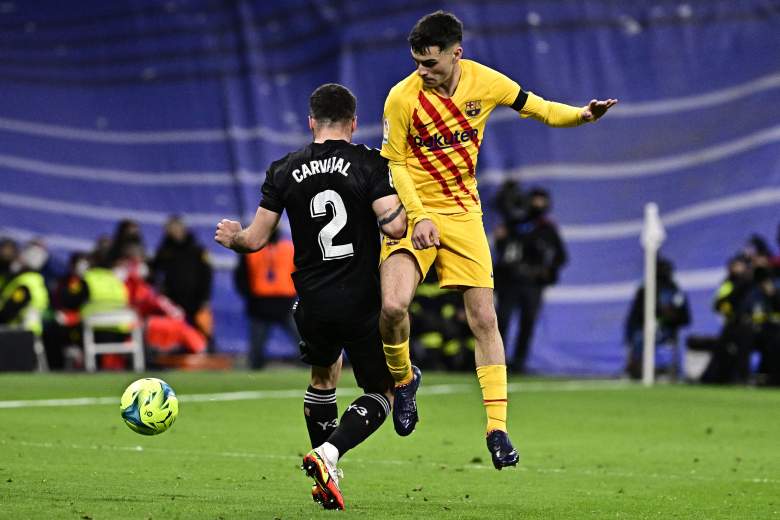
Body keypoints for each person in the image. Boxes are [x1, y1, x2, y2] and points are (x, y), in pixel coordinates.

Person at [378, 10, 616, 469]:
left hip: (464, 214)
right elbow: (397, 164)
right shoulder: (400, 99)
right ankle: (404, 380)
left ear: (455, 54)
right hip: (412, 213)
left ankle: (497, 429)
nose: (421, 72)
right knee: (392, 308)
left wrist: (584, 116)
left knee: (485, 317)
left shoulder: (486, 83)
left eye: (430, 63)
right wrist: (419, 214)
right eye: (417, 63)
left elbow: (541, 108)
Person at [214, 83, 407, 510]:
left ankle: (327, 476)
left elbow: (255, 240)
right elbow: (393, 227)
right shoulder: (368, 164)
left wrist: (233, 238)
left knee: (324, 379)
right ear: (354, 123)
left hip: (311, 302)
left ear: (311, 122)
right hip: (359, 300)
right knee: (382, 391)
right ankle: (329, 454)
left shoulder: (284, 169)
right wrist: (412, 212)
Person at [494, 186, 567, 373]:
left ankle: (519, 362)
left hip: (532, 284)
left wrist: (545, 271)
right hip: (509, 281)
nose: (537, 204)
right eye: (535, 199)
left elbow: (560, 256)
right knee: (501, 320)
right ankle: (496, 361)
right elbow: (503, 251)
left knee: (527, 322)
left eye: (541, 200)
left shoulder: (546, 228)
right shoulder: (513, 223)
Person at [233, 228, 299, 369]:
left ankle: (311, 365)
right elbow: (241, 277)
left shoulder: (288, 249)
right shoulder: (252, 250)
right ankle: (254, 369)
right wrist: (250, 297)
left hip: (285, 302)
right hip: (262, 303)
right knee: (257, 345)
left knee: (302, 338)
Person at [623, 258, 691, 379]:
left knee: (647, 338)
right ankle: (637, 369)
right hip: (644, 328)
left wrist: (669, 318)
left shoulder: (675, 291)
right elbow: (637, 313)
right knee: (640, 338)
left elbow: (685, 317)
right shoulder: (645, 290)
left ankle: (664, 370)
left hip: (666, 329)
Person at [152, 216, 214, 343]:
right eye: (171, 229)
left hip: (195, 299)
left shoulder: (197, 250)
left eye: (176, 228)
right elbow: (154, 270)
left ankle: (205, 353)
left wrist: (205, 298)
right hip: (173, 300)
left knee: (200, 329)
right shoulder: (164, 250)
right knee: (175, 330)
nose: (174, 232)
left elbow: (207, 274)